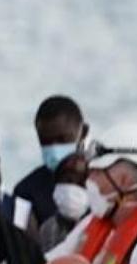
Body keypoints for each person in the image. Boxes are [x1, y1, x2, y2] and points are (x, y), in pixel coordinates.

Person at [48, 122, 137, 264]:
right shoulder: (95, 222)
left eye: (96, 173)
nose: (88, 180)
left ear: (124, 180)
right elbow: (54, 261)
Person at [14, 97, 88, 234]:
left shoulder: (106, 183)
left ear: (83, 132)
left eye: (62, 140)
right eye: (46, 142)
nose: (54, 149)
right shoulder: (26, 191)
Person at [39, 153, 90, 252]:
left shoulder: (101, 226)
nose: (73, 189)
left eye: (80, 183)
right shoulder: (47, 228)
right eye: (67, 181)